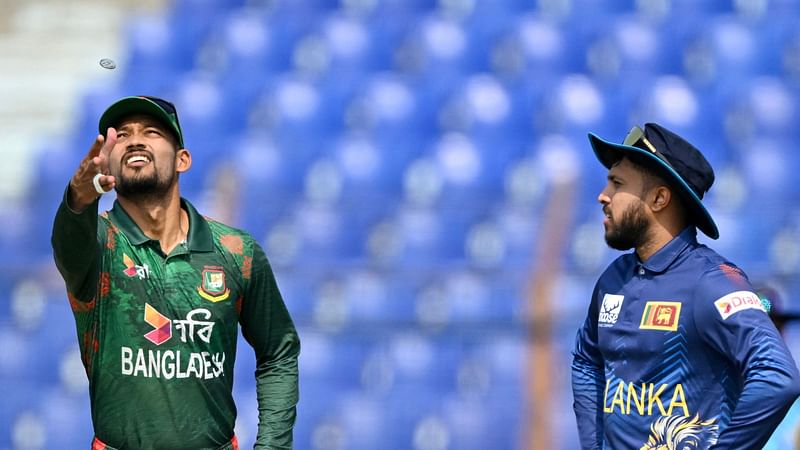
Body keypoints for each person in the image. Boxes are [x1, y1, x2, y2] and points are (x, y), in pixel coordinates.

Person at [51, 96, 300, 450]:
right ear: (108, 162)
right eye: (121, 135)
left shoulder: (235, 251)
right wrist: (78, 196)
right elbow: (68, 243)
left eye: (151, 132)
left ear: (183, 159)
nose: (135, 140)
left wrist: (273, 445)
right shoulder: (99, 246)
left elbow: (278, 351)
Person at [571, 122, 800, 449]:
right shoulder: (613, 279)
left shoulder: (713, 281)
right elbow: (585, 359)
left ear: (659, 198)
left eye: (617, 183)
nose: (603, 196)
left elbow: (777, 378)